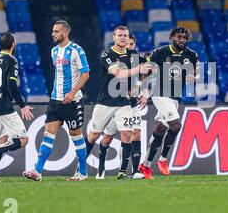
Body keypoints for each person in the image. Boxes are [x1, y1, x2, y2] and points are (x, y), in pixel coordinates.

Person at [22, 20, 90, 181]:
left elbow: (86, 74)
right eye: (53, 31)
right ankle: (38, 170)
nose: (53, 34)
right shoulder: (54, 51)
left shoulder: (76, 50)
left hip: (72, 102)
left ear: (65, 33)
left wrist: (73, 93)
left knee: (76, 135)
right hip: (55, 101)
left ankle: (83, 172)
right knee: (48, 133)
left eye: (56, 31)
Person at [81, 26, 151, 179]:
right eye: (120, 35)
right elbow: (118, 73)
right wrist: (139, 68)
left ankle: (122, 172)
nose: (123, 38)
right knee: (93, 135)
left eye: (125, 35)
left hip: (123, 102)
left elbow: (150, 69)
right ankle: (80, 169)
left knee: (127, 133)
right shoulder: (107, 54)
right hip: (105, 101)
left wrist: (139, 87)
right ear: (114, 37)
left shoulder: (134, 55)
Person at [138, 26, 199, 180]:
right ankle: (163, 160)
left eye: (184, 38)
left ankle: (145, 165)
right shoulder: (160, 52)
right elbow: (147, 72)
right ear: (172, 37)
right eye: (179, 37)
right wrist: (144, 92)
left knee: (160, 131)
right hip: (160, 94)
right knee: (176, 126)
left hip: (175, 97)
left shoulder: (191, 55)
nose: (182, 40)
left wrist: (194, 77)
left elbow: (196, 73)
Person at [0, 32, 34, 183]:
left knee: (2, 141)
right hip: (3, 106)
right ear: (12, 45)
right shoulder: (11, 61)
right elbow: (12, 84)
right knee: (23, 139)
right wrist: (22, 105)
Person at [96, 34, 147, 179]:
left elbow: (151, 70)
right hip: (115, 103)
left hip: (132, 104)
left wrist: (142, 90)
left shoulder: (137, 58)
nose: (128, 46)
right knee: (107, 138)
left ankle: (132, 171)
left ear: (134, 45)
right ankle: (101, 170)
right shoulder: (115, 58)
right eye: (127, 44)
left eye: (131, 44)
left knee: (135, 134)